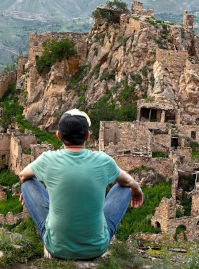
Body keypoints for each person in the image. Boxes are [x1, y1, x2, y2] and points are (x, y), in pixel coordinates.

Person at [19, 108, 143, 260]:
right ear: (88, 136)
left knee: (27, 184)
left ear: (58, 136)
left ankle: (57, 239)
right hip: (96, 248)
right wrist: (136, 190)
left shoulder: (47, 159)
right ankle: (94, 238)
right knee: (123, 188)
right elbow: (128, 181)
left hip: (56, 248)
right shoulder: (103, 160)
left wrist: (26, 192)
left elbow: (23, 175)